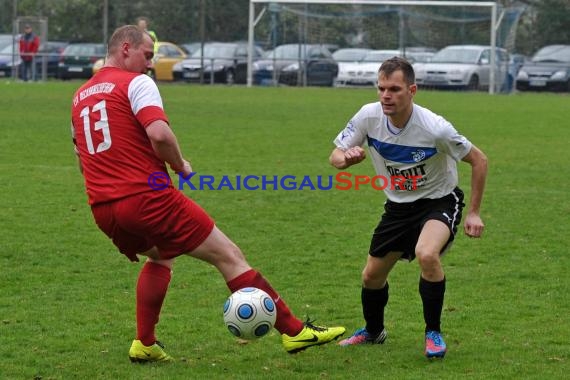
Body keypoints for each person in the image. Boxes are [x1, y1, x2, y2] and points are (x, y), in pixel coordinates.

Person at [70, 25, 345, 363]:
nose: (150, 64)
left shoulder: (81, 94)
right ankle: (294, 332)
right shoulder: (137, 83)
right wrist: (180, 165)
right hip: (147, 198)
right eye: (147, 55)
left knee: (161, 256)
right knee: (229, 255)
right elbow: (159, 134)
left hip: (103, 209)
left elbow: (82, 159)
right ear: (125, 48)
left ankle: (144, 343)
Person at [330, 57, 487, 358]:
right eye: (381, 88)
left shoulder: (435, 129)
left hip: (439, 201)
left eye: (394, 89)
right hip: (398, 207)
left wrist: (475, 212)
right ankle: (374, 331)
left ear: (412, 90)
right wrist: (345, 159)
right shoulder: (368, 117)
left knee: (426, 254)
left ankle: (433, 333)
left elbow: (479, 160)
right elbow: (335, 156)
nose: (386, 96)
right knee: (371, 277)